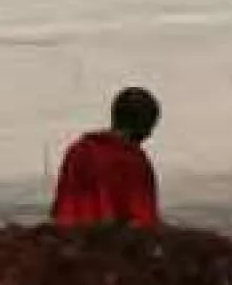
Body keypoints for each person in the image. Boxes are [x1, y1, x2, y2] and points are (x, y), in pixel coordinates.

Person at [51, 86, 162, 230]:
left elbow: (62, 208)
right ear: (142, 125)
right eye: (149, 127)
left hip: (69, 243)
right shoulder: (135, 162)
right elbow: (144, 221)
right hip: (111, 248)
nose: (149, 134)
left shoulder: (79, 149)